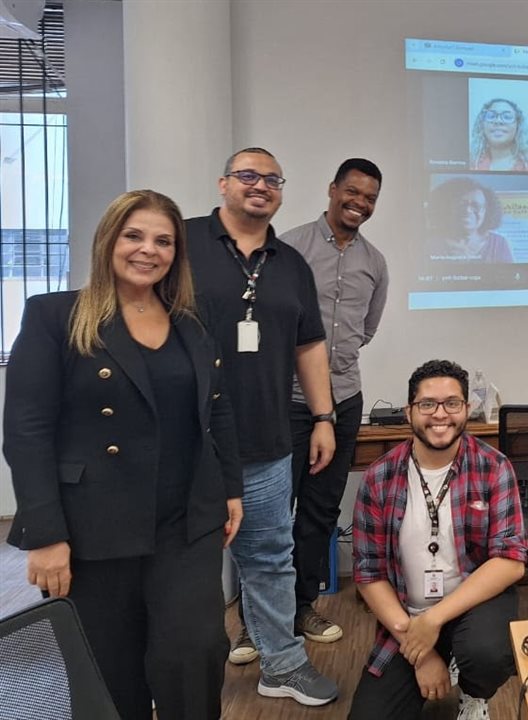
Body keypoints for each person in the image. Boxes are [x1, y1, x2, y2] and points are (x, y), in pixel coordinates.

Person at [4, 190, 243, 720]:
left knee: (196, 651)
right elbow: (26, 431)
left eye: (163, 240)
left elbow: (217, 411)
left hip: (186, 523)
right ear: (109, 239)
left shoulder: (193, 321)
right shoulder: (55, 316)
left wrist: (230, 488)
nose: (148, 250)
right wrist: (45, 535)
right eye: (134, 235)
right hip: (93, 527)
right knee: (109, 674)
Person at [185, 147, 340, 705]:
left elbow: (310, 344)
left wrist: (323, 417)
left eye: (272, 179)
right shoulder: (181, 244)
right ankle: (171, 672)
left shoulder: (291, 263)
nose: (260, 185)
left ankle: (282, 664)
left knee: (271, 557)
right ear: (223, 182)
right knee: (181, 567)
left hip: (266, 442)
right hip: (185, 445)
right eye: (248, 175)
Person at [349, 359, 527, 720]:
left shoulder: (493, 467)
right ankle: (443, 657)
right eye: (427, 404)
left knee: (486, 653)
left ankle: (475, 693)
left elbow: (510, 560)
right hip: (407, 618)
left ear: (467, 409)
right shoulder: (379, 478)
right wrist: (420, 649)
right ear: (409, 412)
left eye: (452, 403)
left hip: (471, 608)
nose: (440, 415)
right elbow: (369, 573)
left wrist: (435, 620)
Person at [277, 159, 389, 645]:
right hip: (288, 401)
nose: (359, 203)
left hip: (343, 401)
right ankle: (257, 622)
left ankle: (302, 609)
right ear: (332, 189)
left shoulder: (374, 262)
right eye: (353, 192)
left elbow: (365, 330)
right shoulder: (289, 248)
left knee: (319, 512)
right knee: (271, 512)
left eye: (369, 198)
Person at [427, 177, 514, 262]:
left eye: (475, 205)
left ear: (486, 212)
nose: (467, 210)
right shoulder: (429, 241)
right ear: (447, 207)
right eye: (461, 204)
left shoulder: (498, 244)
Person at [469, 98, 528, 172]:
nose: (498, 121)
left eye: (507, 117)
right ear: (482, 125)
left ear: (518, 126)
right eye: (491, 116)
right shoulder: (471, 162)